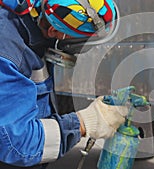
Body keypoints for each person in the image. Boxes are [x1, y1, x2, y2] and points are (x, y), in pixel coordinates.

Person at [0, 0, 127, 168]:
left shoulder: (34, 24)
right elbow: (17, 145)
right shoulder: (9, 55)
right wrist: (84, 123)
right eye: (80, 42)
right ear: (54, 31)